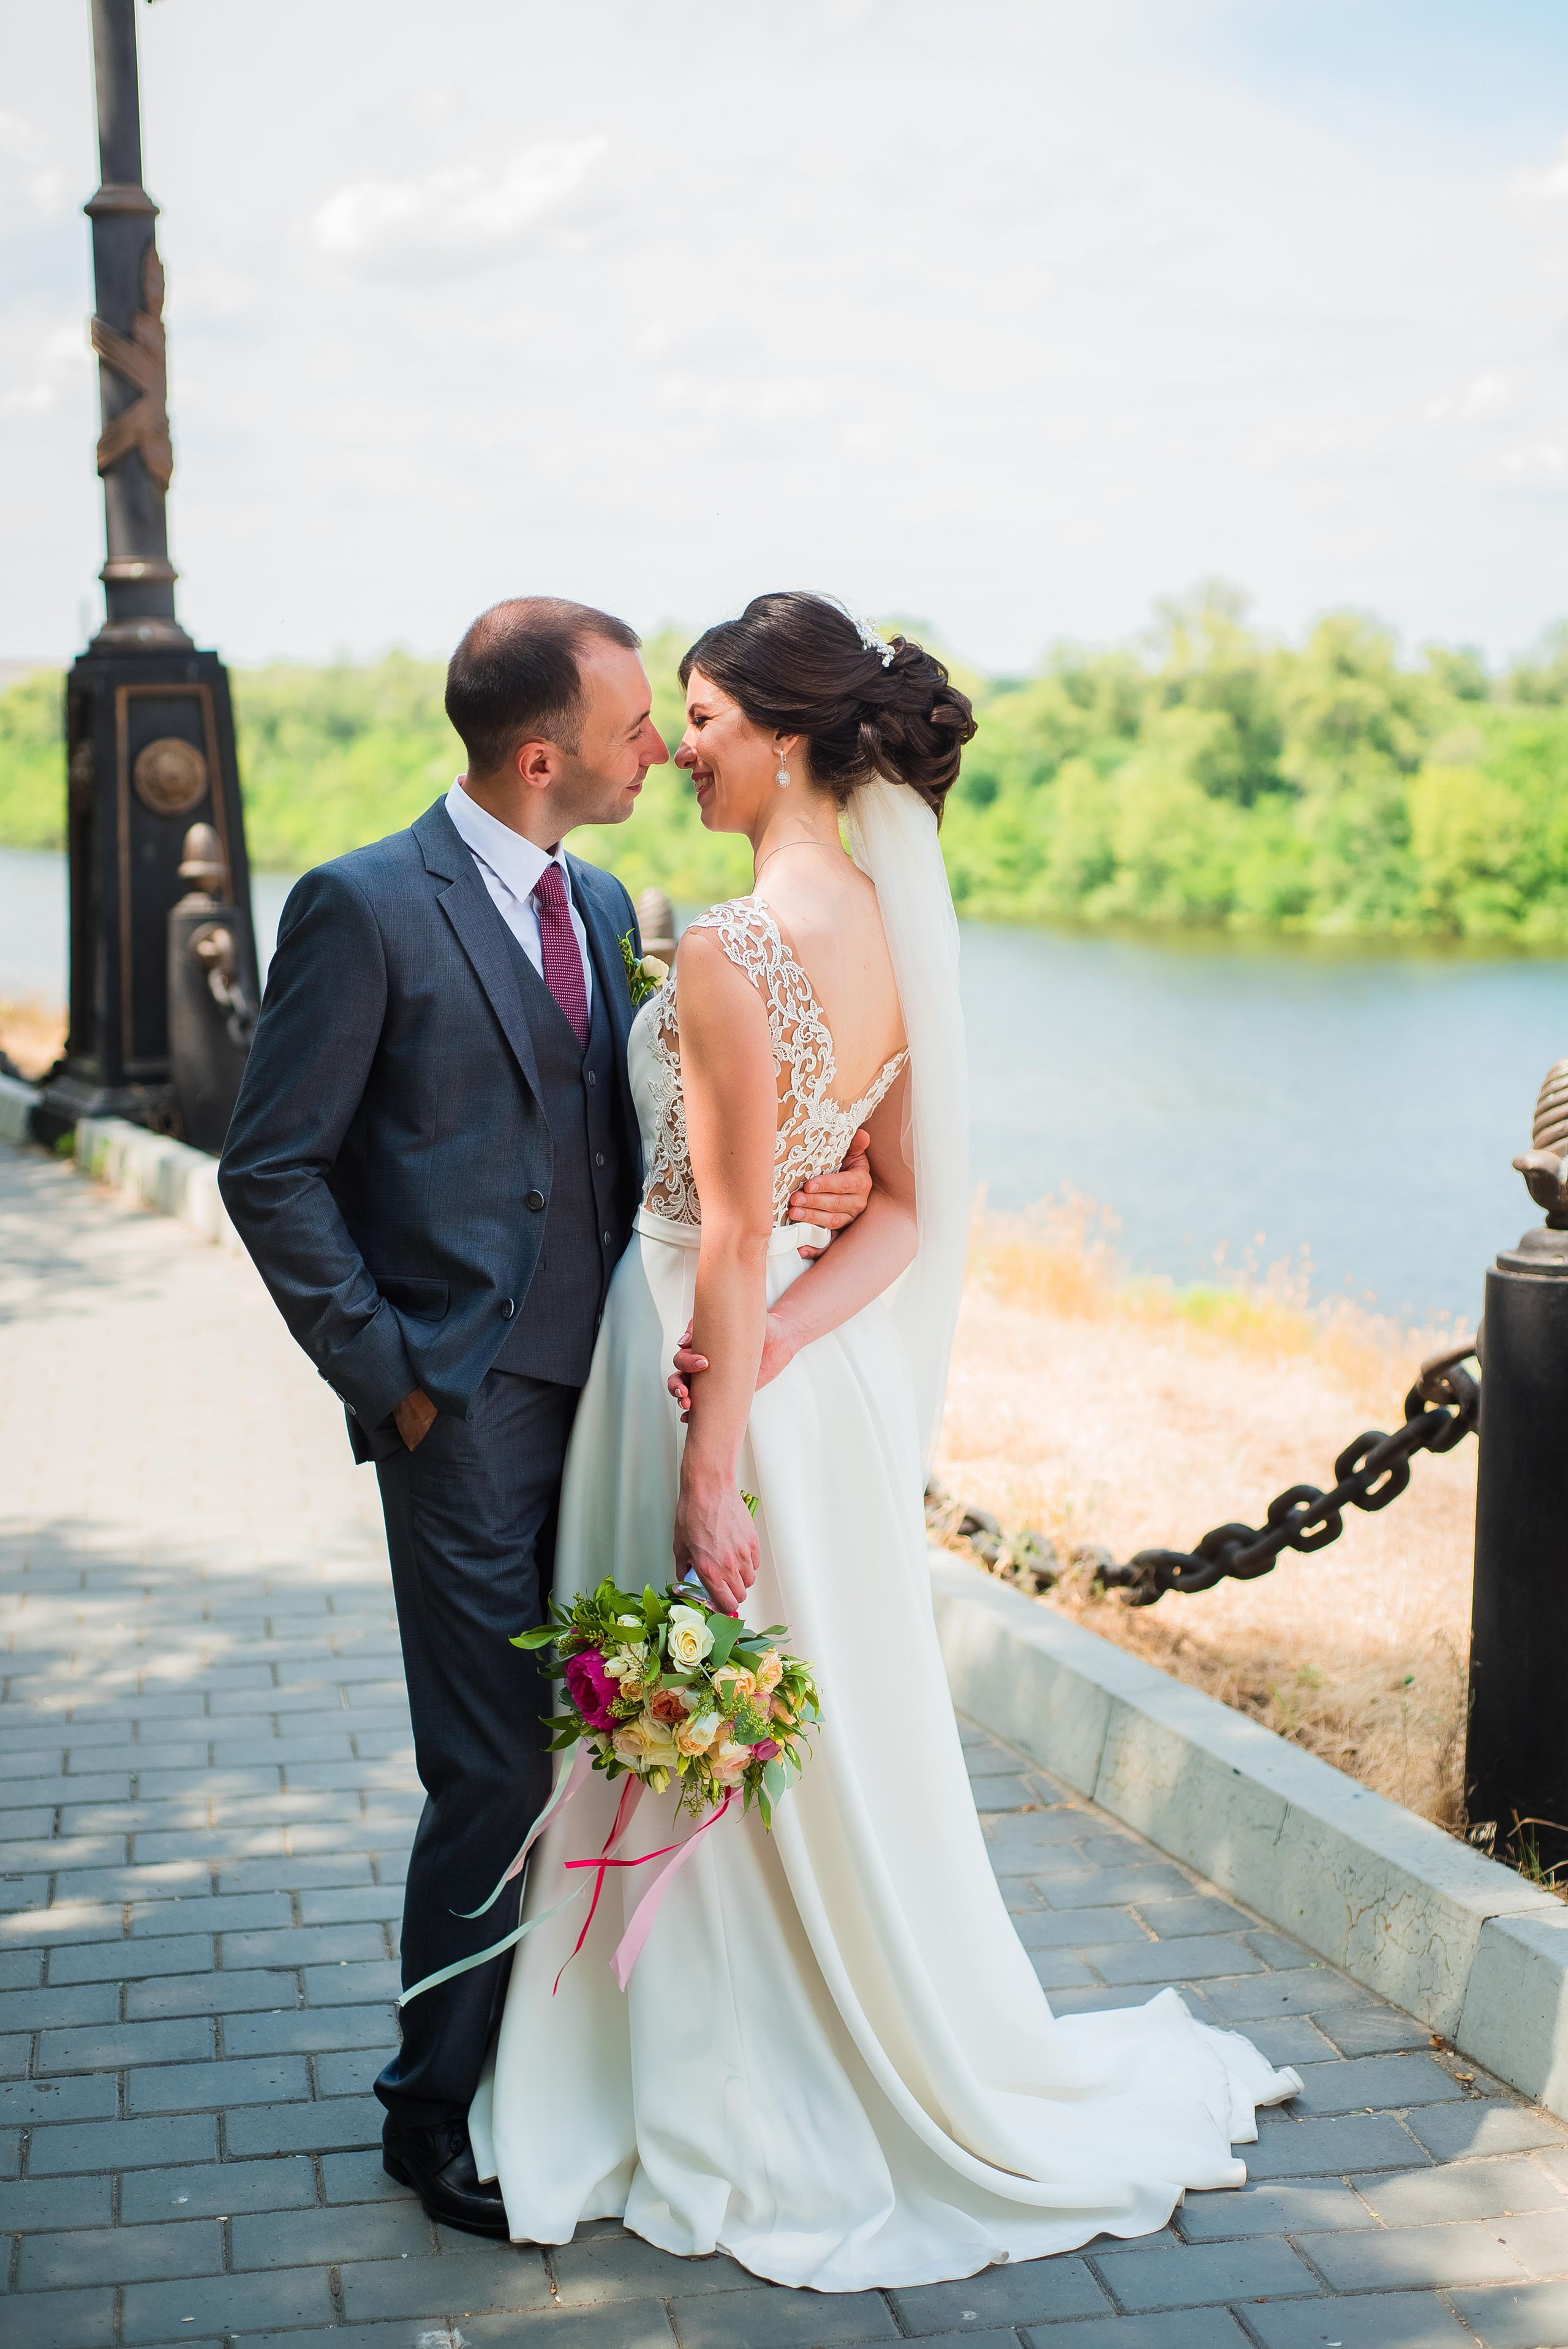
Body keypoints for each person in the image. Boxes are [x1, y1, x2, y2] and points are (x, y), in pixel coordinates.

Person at [470, 590, 1301, 2291]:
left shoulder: (727, 947)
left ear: (786, 740)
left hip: (699, 1368)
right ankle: (794, 2034)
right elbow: (905, 1212)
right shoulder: (892, 932)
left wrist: (713, 1450)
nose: (679, 752)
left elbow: (723, 1233)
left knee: (705, 1690)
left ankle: (706, 2082)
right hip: (816, 1379)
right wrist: (787, 1344)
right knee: (804, 1714)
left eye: (705, 720)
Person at [217, 599, 872, 2238]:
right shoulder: (363, 907)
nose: (657, 746)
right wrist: (393, 1379)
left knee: (599, 1747)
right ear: (537, 755)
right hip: (461, 1415)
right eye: (632, 723)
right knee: (494, 1763)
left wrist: (820, 1178)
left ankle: (563, 2074)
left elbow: (664, 1142)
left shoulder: (603, 901)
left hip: (625, 1398)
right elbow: (270, 1168)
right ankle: (428, 2105)